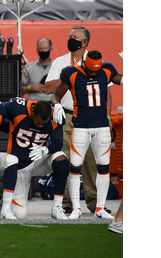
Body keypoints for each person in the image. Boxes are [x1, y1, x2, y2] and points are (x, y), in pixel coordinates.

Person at [51, 50, 122, 220]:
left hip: (102, 127)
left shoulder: (107, 69)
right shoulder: (71, 72)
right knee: (75, 165)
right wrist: (57, 105)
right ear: (84, 63)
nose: (94, 73)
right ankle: (76, 208)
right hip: (80, 126)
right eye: (91, 70)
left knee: (103, 166)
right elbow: (56, 95)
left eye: (96, 70)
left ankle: (99, 208)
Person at [44, 25, 102, 216]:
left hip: (90, 116)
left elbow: (104, 90)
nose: (71, 39)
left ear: (84, 42)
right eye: (70, 36)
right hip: (67, 116)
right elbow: (49, 87)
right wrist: (74, 76)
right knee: (67, 160)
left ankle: (95, 204)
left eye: (75, 37)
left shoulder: (95, 61)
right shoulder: (60, 61)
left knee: (90, 161)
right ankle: (66, 202)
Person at [0, 97, 69, 219]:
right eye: (38, 122)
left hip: (39, 160)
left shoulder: (55, 115)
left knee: (61, 158)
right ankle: (6, 201)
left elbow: (58, 143)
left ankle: (57, 207)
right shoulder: (17, 108)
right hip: (19, 166)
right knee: (19, 214)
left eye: (44, 123)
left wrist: (46, 149)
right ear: (32, 112)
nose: (41, 125)